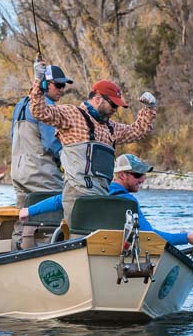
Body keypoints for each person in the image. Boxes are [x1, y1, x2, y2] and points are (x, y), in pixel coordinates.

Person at [29, 56, 157, 223]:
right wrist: (38, 80)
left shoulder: (111, 127)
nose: (115, 110)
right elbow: (40, 112)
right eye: (113, 105)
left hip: (102, 195)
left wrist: (150, 108)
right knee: (79, 238)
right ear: (98, 98)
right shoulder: (71, 114)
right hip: (76, 195)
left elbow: (138, 131)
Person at [19, 153, 193, 247]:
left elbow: (60, 200)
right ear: (122, 175)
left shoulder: (93, 190)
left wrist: (28, 211)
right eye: (138, 175)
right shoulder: (127, 202)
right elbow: (149, 236)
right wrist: (186, 237)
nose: (143, 179)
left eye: (143, 175)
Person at [9, 64, 73, 208]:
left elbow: (13, 137)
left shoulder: (20, 105)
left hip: (18, 173)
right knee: (62, 203)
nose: (62, 90)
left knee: (23, 217)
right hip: (40, 174)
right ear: (44, 84)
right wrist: (69, 162)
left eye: (63, 86)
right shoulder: (46, 107)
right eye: (58, 85)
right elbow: (52, 144)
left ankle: (21, 232)